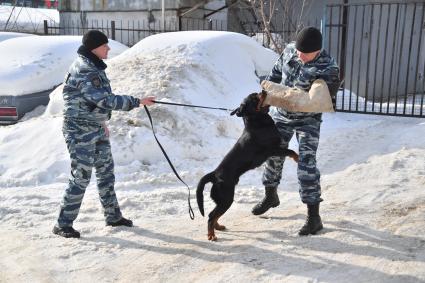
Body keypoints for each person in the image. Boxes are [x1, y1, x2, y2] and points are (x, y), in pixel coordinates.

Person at [53, 30, 155, 238]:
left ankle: (113, 216)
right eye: (104, 45)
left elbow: (91, 102)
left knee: (106, 171)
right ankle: (63, 224)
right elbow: (104, 100)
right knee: (81, 177)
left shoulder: (92, 66)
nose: (108, 48)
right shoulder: (86, 69)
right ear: (94, 48)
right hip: (79, 130)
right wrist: (138, 101)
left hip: (93, 127)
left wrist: (100, 122)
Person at [252, 27, 340, 236]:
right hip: (281, 115)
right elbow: (274, 75)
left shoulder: (329, 67)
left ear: (318, 51)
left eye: (306, 54)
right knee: (272, 155)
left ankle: (314, 217)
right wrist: (265, 96)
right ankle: (271, 195)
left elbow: (325, 98)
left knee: (306, 165)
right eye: (299, 51)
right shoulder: (291, 50)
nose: (300, 56)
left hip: (307, 122)